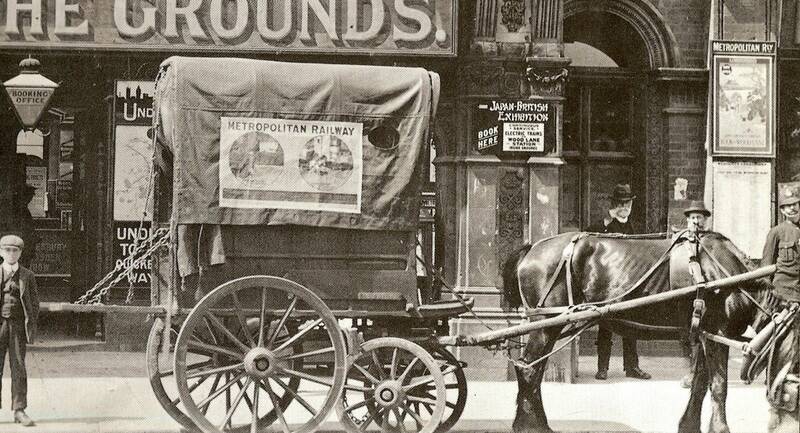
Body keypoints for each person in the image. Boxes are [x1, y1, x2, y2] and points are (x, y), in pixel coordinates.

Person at [586, 183, 651, 380]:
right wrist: (607, 223)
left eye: (627, 204)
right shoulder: (603, 225)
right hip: (610, 285)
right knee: (606, 325)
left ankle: (632, 367)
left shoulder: (636, 227)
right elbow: (588, 237)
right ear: (614, 205)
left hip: (631, 283)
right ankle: (602, 367)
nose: (624, 208)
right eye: (621, 203)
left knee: (631, 325)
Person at [760, 183, 800, 432]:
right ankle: (776, 411)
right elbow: (766, 271)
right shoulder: (776, 233)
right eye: (786, 206)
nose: (791, 209)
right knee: (780, 357)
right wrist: (772, 301)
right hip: (783, 302)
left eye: (794, 204)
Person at [0, 235, 39, 427]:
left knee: (18, 367)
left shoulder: (27, 275)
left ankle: (19, 409)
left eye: (15, 250)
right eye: (7, 250)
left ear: (20, 253)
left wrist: (29, 325)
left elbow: (34, 303)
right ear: (1, 252)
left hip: (17, 327)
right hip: (0, 325)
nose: (11, 254)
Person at [678, 200, 711, 389]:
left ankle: (701, 372)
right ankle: (690, 372)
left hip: (707, 296)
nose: (695, 221)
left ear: (705, 220)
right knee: (688, 335)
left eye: (699, 217)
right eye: (692, 218)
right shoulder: (682, 240)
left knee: (703, 336)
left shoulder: (710, 240)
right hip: (686, 294)